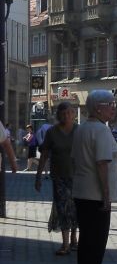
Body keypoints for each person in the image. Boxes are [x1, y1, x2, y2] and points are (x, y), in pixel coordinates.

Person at [71, 90, 117, 264]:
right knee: (96, 244)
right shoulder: (101, 130)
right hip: (95, 195)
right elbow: (102, 163)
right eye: (110, 104)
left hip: (81, 192)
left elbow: (75, 160)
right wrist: (106, 196)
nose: (114, 108)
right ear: (98, 108)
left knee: (86, 243)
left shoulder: (82, 128)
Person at [35, 102, 79, 255]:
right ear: (58, 115)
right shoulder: (52, 132)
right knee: (62, 207)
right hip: (59, 176)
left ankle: (74, 239)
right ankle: (65, 244)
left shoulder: (79, 131)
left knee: (75, 208)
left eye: (69, 113)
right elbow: (44, 155)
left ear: (74, 114)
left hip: (78, 176)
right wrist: (38, 176)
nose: (66, 116)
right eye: (63, 113)